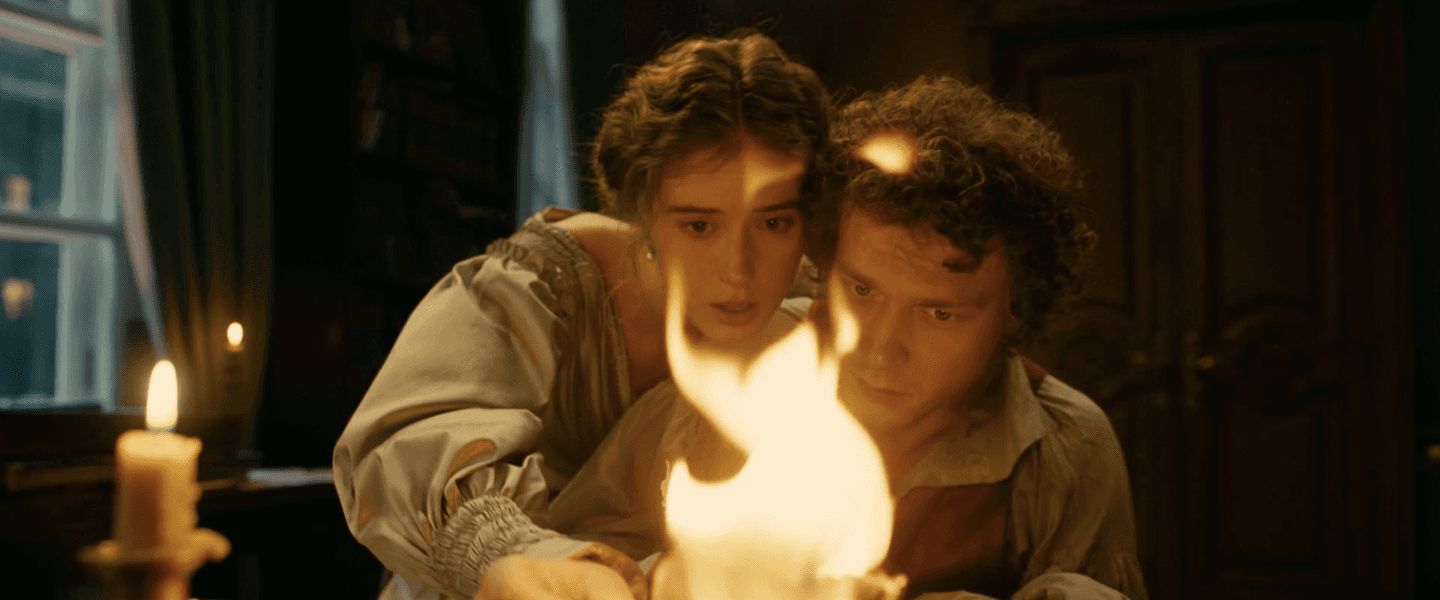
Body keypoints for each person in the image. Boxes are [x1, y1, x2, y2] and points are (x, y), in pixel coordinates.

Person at [543, 74, 1149, 600]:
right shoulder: (731, 380)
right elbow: (559, 568)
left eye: (939, 314)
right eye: (861, 291)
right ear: (826, 264)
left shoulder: (1063, 447)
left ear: (1015, 312)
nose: (880, 349)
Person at [332, 32, 833, 600]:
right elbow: (410, 446)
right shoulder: (538, 287)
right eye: (699, 225)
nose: (738, 269)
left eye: (773, 223)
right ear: (641, 211)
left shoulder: (816, 314)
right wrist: (511, 554)